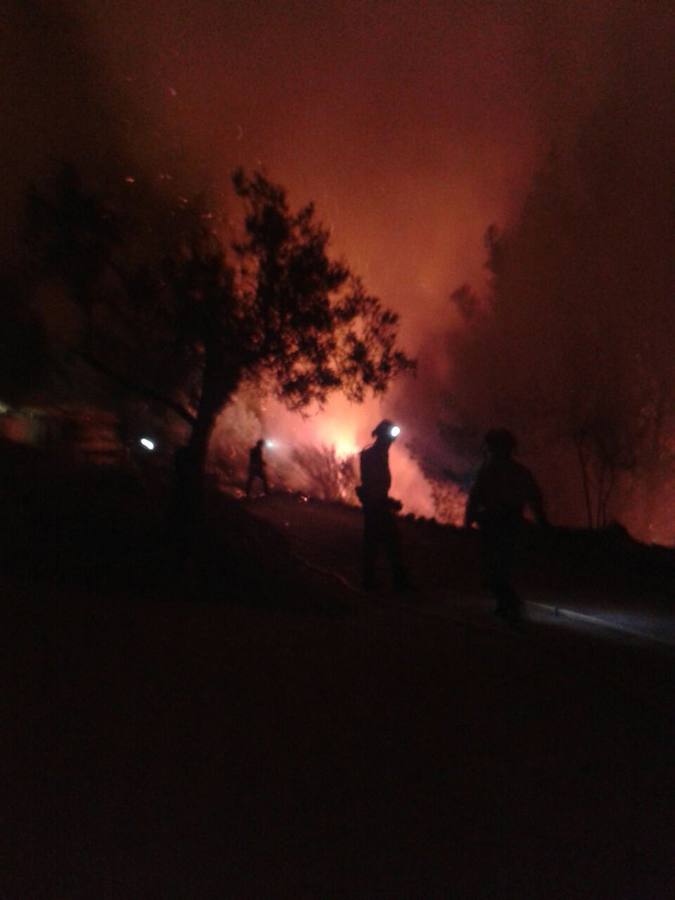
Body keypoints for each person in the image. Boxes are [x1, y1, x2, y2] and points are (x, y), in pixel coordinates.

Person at [464, 428, 547, 621]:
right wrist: (541, 522)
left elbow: (474, 498)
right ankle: (506, 604)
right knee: (500, 567)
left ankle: (508, 603)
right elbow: (534, 498)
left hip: (495, 525)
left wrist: (468, 522)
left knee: (494, 568)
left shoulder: (488, 471)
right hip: (508, 524)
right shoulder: (517, 472)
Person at [357, 419, 409, 591]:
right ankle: (396, 582)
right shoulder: (372, 455)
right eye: (389, 438)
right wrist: (388, 502)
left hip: (377, 504)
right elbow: (372, 485)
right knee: (390, 542)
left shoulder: (379, 454)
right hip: (376, 506)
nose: (391, 442)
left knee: (375, 543)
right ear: (382, 437)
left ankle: (371, 581)